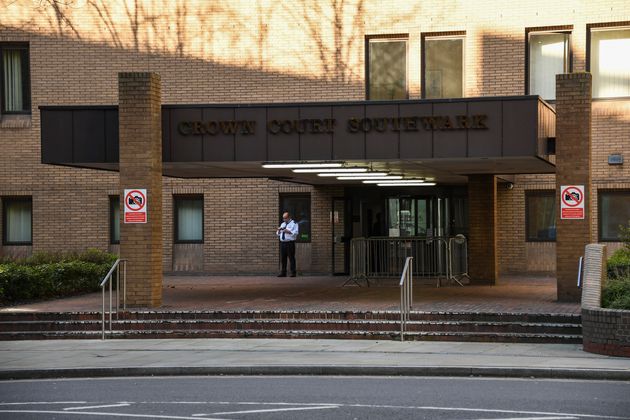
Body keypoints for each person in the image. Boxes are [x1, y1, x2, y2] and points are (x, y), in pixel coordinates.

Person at [276, 211, 299, 277]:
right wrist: (279, 230)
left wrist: (287, 231)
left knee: (291, 258)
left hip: (290, 243)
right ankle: (283, 272)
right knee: (283, 258)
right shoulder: (283, 224)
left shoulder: (294, 224)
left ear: (289, 217)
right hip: (283, 243)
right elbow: (277, 234)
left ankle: (293, 272)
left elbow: (295, 233)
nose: (284, 219)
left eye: (285, 218)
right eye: (283, 218)